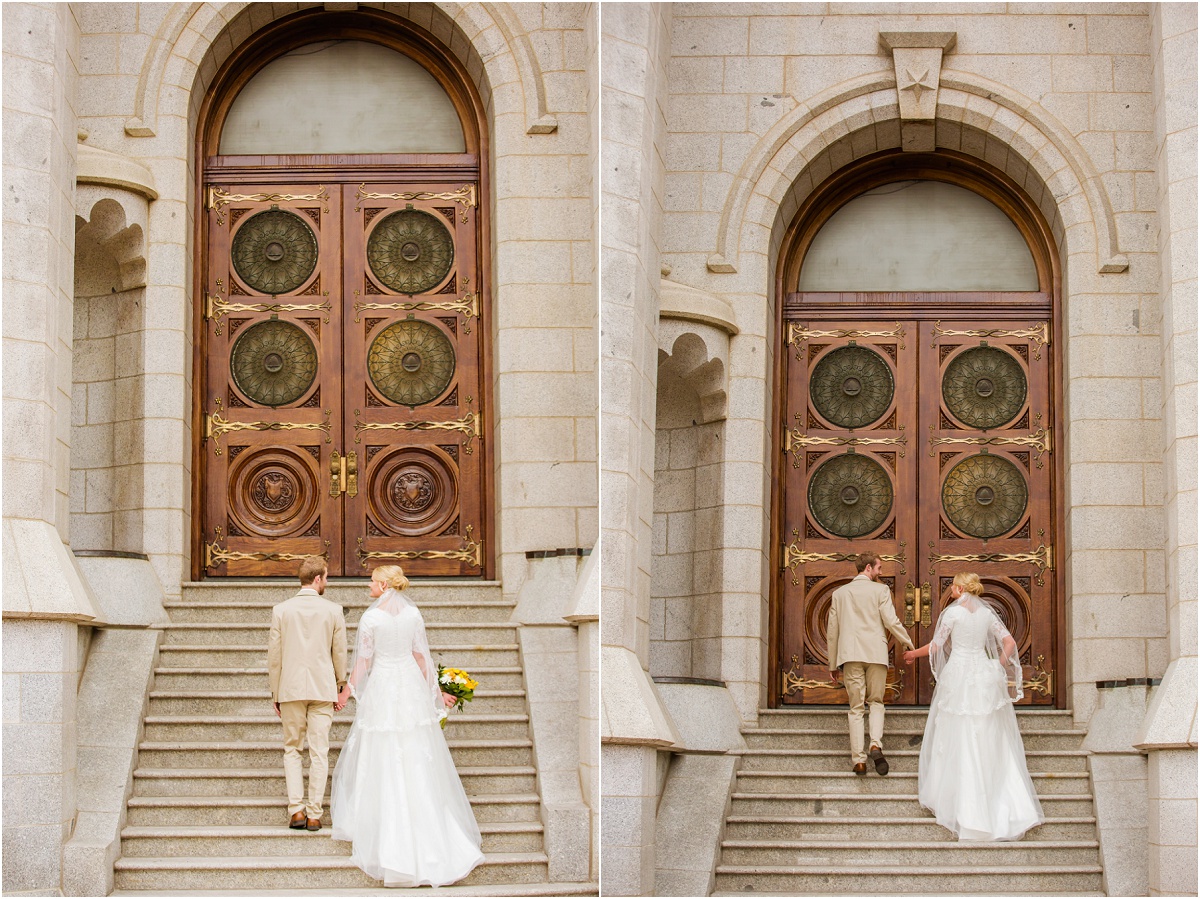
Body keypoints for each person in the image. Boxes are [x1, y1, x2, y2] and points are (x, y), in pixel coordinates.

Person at [330, 564, 484, 887]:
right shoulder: (413, 616)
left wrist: (347, 691)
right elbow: (421, 657)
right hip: (410, 687)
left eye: (372, 582)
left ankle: (388, 836)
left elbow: (363, 662)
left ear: (384, 585)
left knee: (383, 750)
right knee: (415, 752)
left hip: (385, 687)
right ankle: (426, 833)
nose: (368, 586)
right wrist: (435, 692)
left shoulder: (370, 619)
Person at [903, 572, 1044, 841]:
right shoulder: (987, 615)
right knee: (986, 730)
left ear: (958, 588)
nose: (951, 590)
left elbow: (936, 646)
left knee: (958, 729)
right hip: (982, 673)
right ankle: (999, 798)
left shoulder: (952, 614)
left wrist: (912, 654)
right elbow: (1010, 642)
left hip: (959, 674)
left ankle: (961, 801)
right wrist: (998, 664)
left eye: (953, 586)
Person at [267, 554, 348, 832]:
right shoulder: (333, 610)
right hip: (322, 688)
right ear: (317, 579)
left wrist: (275, 692)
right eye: (326, 577)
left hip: (290, 688)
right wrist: (340, 684)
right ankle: (314, 814)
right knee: (319, 752)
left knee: (292, 749)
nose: (327, 581)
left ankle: (296, 811)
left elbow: (274, 656)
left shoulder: (281, 610)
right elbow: (339, 652)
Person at [826, 551, 915, 775]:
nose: (881, 573)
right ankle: (875, 743)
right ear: (868, 568)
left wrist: (832, 664)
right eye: (879, 568)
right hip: (876, 654)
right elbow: (890, 620)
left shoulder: (840, 593)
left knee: (856, 708)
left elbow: (832, 631)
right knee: (876, 702)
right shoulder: (881, 590)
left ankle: (859, 760)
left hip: (850, 656)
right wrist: (907, 643)